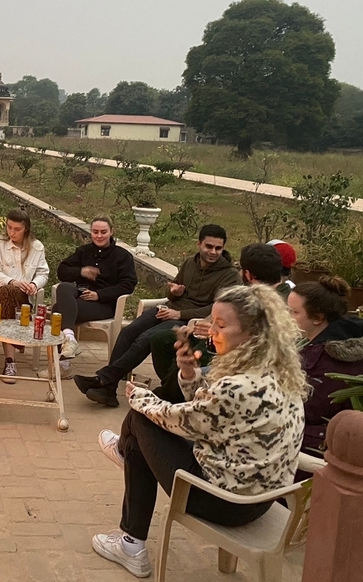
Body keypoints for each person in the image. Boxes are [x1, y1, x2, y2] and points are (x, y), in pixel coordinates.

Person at [92, 285, 308, 578]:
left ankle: (130, 533)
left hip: (225, 503)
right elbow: (212, 415)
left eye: (221, 325)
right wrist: (189, 374)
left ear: (254, 333)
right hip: (262, 499)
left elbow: (182, 421)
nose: (212, 332)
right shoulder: (279, 374)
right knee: (143, 432)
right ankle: (127, 459)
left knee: (140, 419)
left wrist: (139, 396)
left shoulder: (239, 385)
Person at [74, 224, 241, 407]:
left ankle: (104, 381)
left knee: (146, 338)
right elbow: (172, 291)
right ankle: (108, 388)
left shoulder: (229, 275)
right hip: (169, 310)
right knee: (129, 332)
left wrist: (180, 313)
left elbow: (216, 309)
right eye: (209, 246)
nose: (213, 252)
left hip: (188, 320)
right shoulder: (190, 263)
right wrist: (175, 292)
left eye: (218, 248)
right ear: (199, 244)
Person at [149, 242, 288, 403]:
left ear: (248, 274)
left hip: (236, 353)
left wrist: (215, 330)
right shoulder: (248, 293)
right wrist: (202, 325)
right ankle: (174, 392)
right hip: (214, 338)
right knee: (162, 340)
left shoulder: (278, 302)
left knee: (189, 358)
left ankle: (169, 397)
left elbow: (256, 338)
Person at [287, 276, 363, 470]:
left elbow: (309, 408)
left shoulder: (332, 361)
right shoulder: (323, 343)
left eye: (294, 312)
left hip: (318, 449)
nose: (286, 317)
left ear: (318, 318)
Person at [0, 209, 49, 383]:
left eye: (17, 229)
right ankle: (10, 362)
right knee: (8, 292)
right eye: (9, 227)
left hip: (21, 298)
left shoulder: (36, 247)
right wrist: (13, 282)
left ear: (26, 229)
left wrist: (34, 284)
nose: (12, 232)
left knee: (11, 294)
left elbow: (43, 273)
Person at [53, 215, 137, 362]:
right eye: (95, 232)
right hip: (80, 295)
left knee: (58, 310)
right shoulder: (83, 251)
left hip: (104, 304)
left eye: (103, 232)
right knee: (64, 287)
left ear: (111, 232)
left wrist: (99, 294)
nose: (99, 236)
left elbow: (128, 285)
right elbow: (62, 271)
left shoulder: (122, 256)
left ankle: (63, 364)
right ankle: (69, 339)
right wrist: (81, 271)